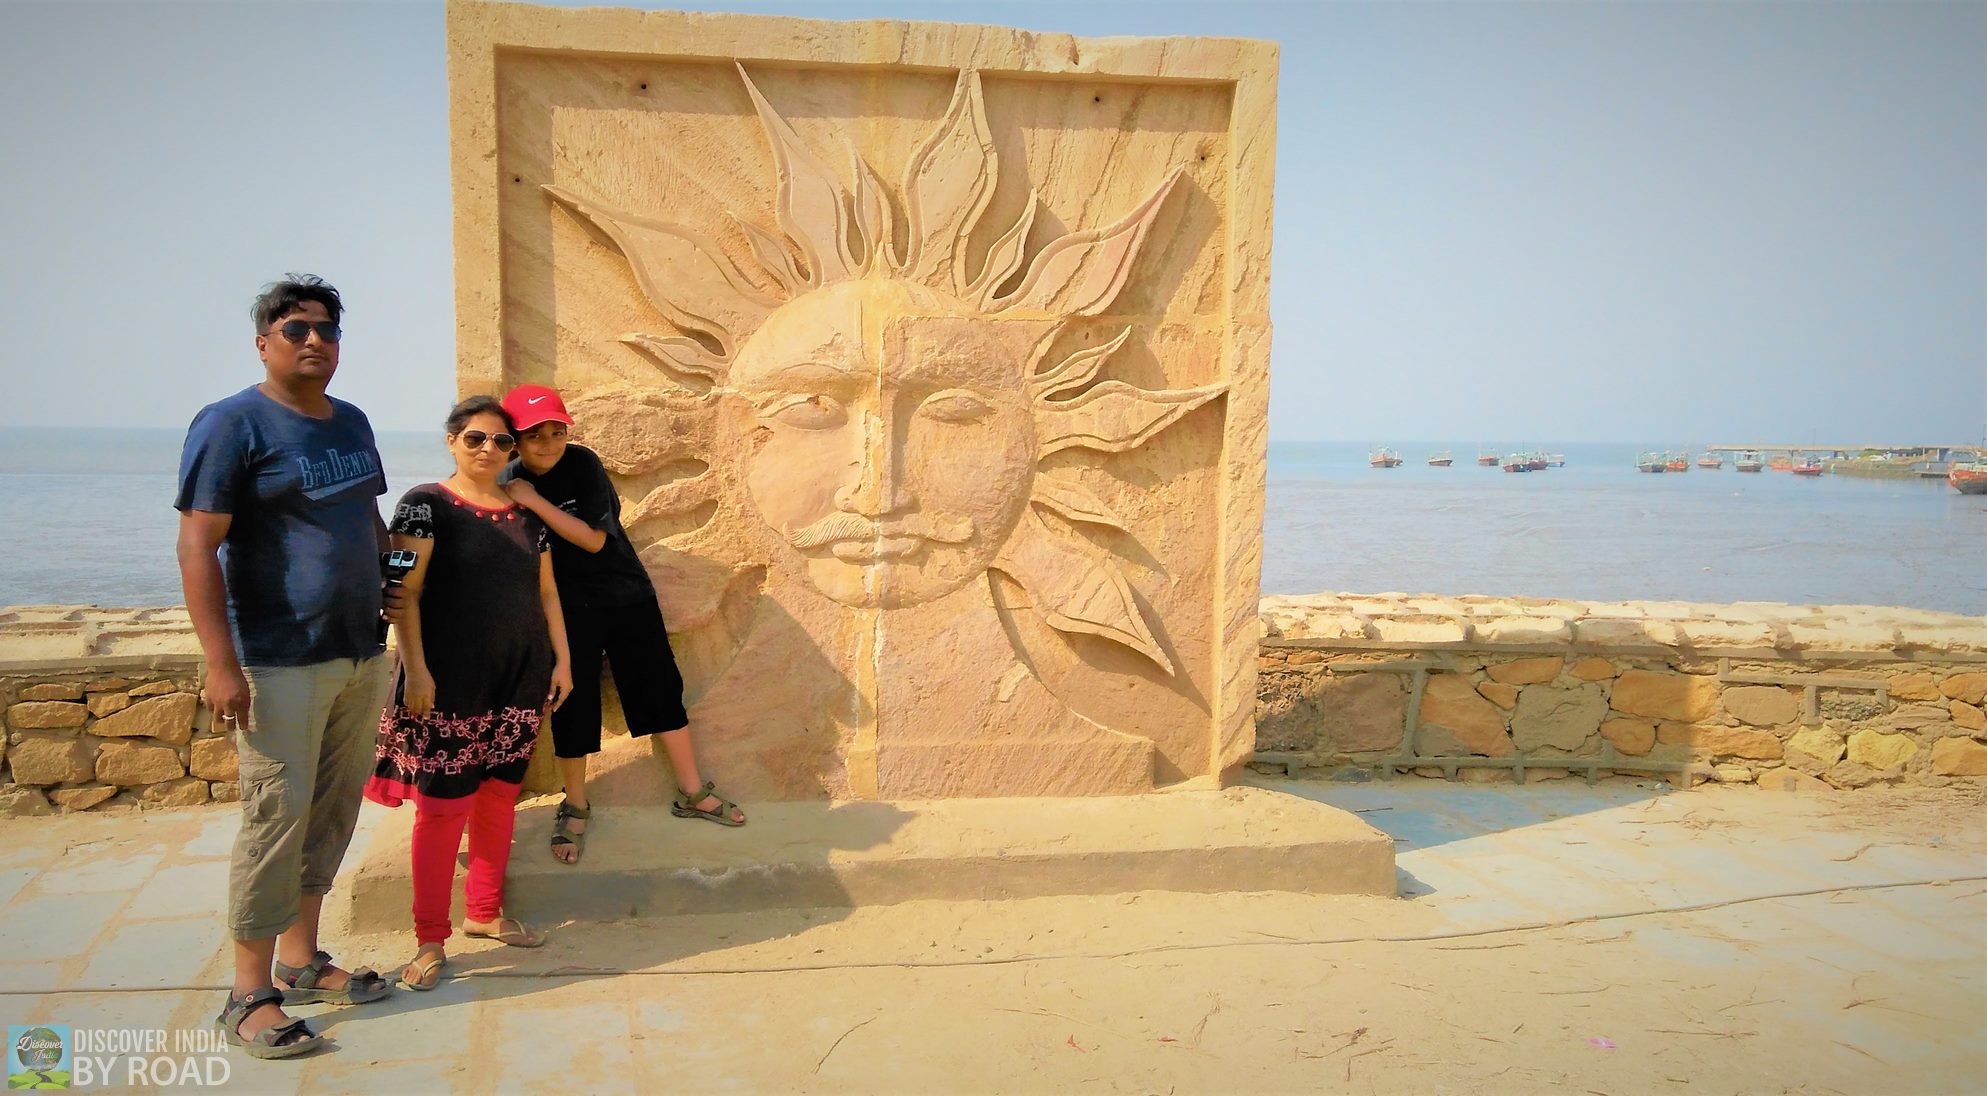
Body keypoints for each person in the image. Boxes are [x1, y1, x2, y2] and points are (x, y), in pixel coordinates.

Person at [176, 275, 396, 1060]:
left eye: (327, 330)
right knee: (275, 821)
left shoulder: (352, 422)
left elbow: (367, 520)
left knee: (331, 813)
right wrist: (219, 662)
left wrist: (398, 590)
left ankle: (302, 959)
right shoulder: (233, 422)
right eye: (295, 327)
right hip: (275, 661)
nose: (314, 340)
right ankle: (247, 994)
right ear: (263, 340)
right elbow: (198, 544)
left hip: (360, 653)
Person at [366, 395, 573, 990]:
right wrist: (418, 671)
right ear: (452, 441)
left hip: (521, 678)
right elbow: (400, 590)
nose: (489, 450)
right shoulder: (423, 506)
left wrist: (563, 662)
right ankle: (430, 939)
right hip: (448, 681)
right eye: (476, 438)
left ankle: (483, 913)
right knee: (441, 810)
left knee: (498, 800)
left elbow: (549, 595)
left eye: (502, 442)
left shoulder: (526, 514)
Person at [499, 383, 745, 866]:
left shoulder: (582, 464)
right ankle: (575, 805)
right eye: (534, 435)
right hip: (564, 610)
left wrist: (531, 499)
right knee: (572, 704)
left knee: (659, 690)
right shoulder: (504, 478)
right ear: (513, 439)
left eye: (556, 431)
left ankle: (692, 792)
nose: (548, 443)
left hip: (624, 595)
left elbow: (592, 540)